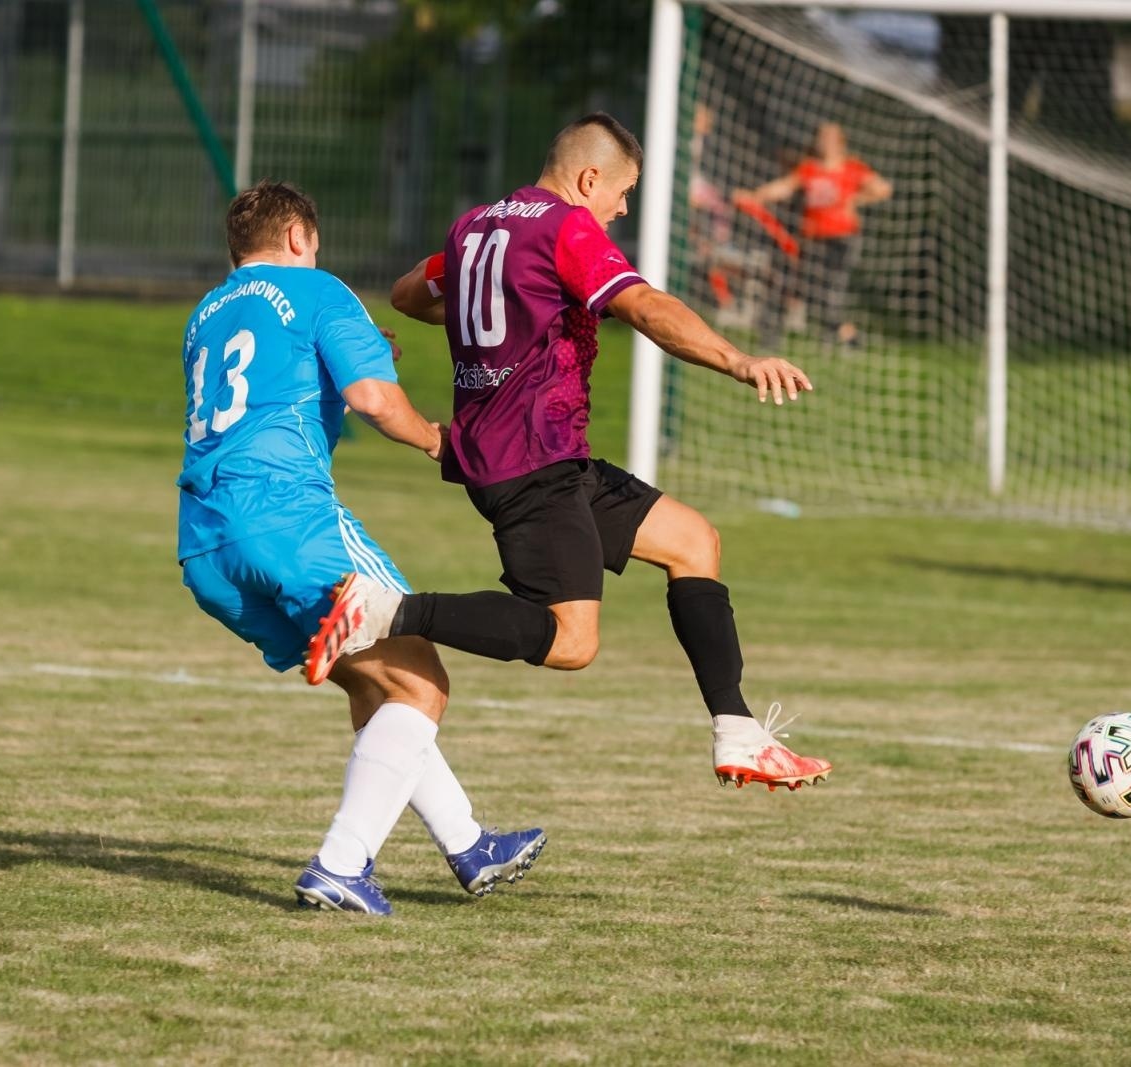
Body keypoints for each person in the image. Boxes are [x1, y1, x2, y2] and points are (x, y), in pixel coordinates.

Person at [330, 112, 833, 792]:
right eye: (622, 193)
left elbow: (408, 294)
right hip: (530, 460)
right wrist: (737, 359)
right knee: (570, 642)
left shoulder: (476, 225)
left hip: (543, 453)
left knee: (693, 541)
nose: (621, 210)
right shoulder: (565, 227)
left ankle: (738, 730)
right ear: (589, 178)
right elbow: (645, 306)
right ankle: (384, 609)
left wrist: (506, 306)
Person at [177, 180, 545, 915]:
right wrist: (442, 443)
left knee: (375, 686)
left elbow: (270, 386)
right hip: (289, 524)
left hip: (206, 545)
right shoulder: (319, 290)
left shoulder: (206, 313)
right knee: (423, 684)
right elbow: (374, 398)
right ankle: (341, 864)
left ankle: (469, 842)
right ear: (298, 238)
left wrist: (353, 354)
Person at [740, 121, 892, 348]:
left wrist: (855, 200)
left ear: (840, 142)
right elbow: (783, 187)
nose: (825, 141)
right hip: (813, 238)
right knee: (799, 287)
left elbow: (883, 189)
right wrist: (755, 196)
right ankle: (780, 336)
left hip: (842, 239)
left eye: (830, 137)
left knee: (828, 292)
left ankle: (845, 337)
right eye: (822, 136)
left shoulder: (852, 167)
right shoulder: (809, 168)